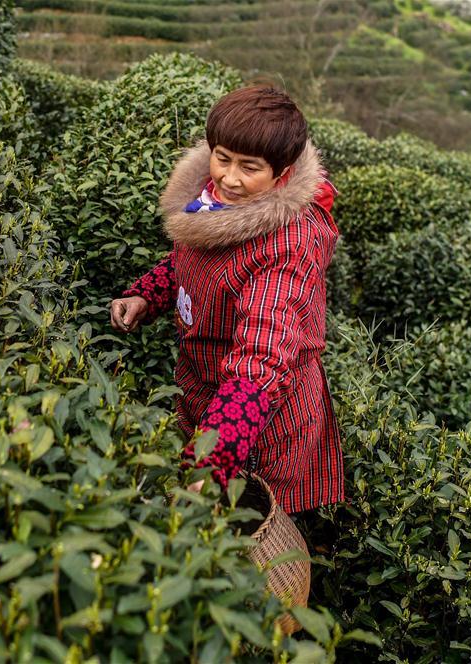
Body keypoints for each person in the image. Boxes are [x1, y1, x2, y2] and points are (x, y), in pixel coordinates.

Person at [109, 86, 345, 521]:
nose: (230, 179)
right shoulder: (212, 203)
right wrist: (148, 293)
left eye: (249, 167)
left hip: (258, 421)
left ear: (283, 173)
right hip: (204, 387)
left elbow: (262, 356)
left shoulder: (287, 244)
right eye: (222, 158)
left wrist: (214, 456)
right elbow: (191, 258)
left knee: (248, 531)